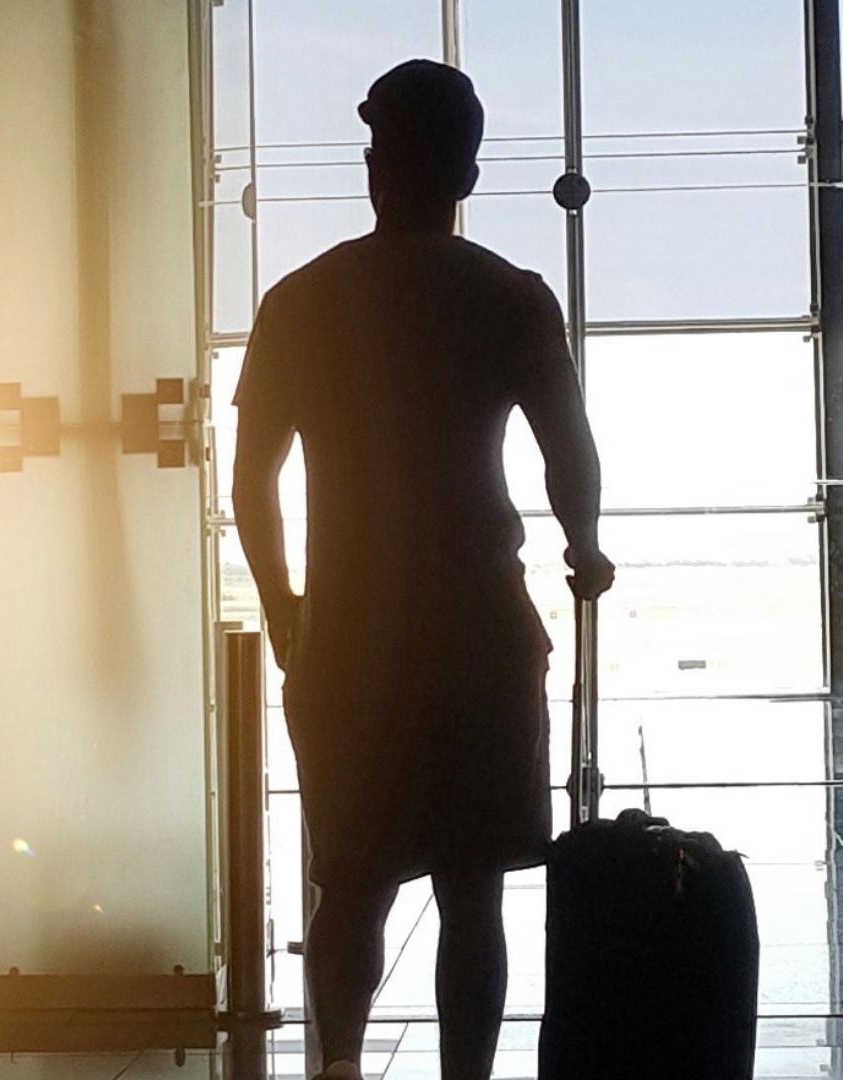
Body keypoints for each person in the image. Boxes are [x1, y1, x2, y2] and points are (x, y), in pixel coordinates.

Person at [232, 59, 612, 1080]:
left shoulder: (300, 302)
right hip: (480, 630)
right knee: (473, 889)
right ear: (470, 172)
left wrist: (284, 614)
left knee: (348, 880)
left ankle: (338, 1068)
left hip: (348, 634)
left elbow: (251, 485)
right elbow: (568, 456)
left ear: (377, 164)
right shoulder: (510, 299)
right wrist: (583, 546)